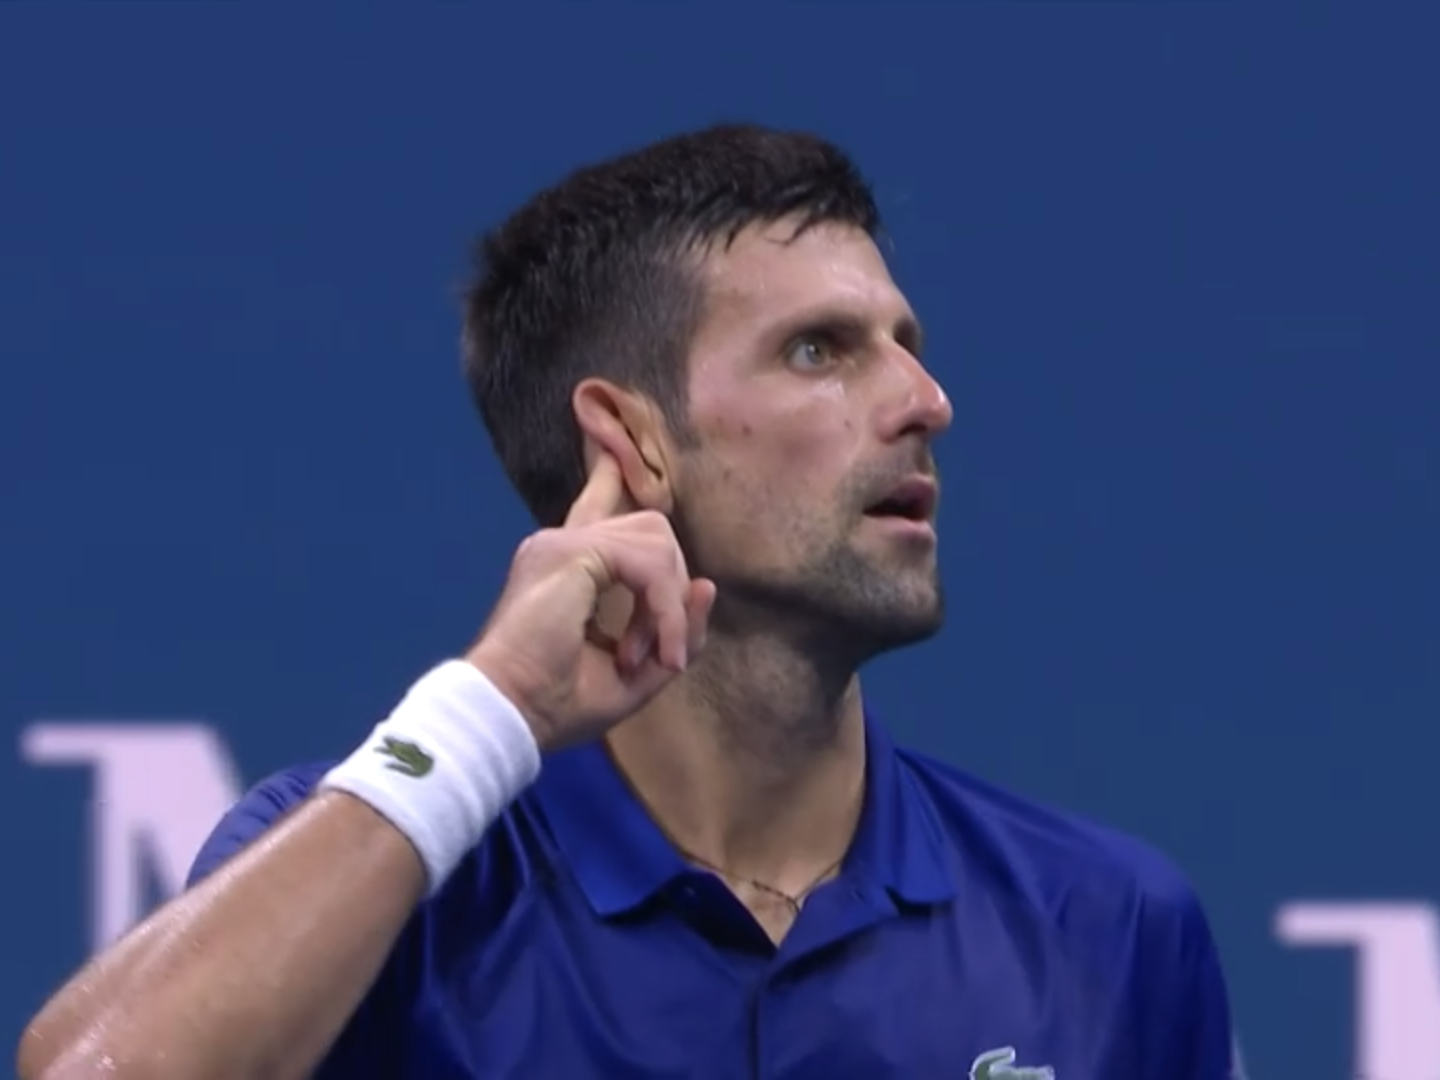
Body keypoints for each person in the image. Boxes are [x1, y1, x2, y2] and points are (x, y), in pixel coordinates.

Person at [17, 123, 1234, 1080]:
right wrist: (491, 706)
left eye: (905, 339)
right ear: (633, 443)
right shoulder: (382, 879)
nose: (925, 398)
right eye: (821, 349)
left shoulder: (1109, 925)